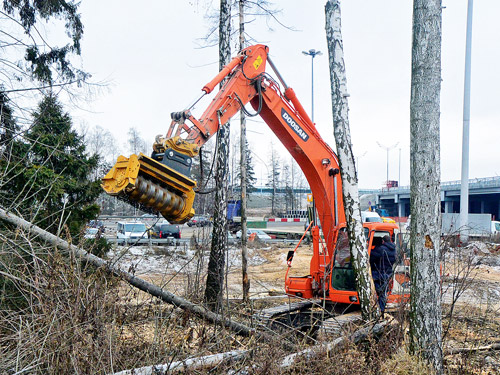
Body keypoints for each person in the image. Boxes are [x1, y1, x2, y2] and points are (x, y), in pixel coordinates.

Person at [370, 235, 396, 314]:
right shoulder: (394, 250)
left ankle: (373, 308)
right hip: (387, 274)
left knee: (374, 290)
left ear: (383, 241)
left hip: (377, 274)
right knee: (383, 295)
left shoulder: (380, 249)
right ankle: (381, 310)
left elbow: (370, 257)